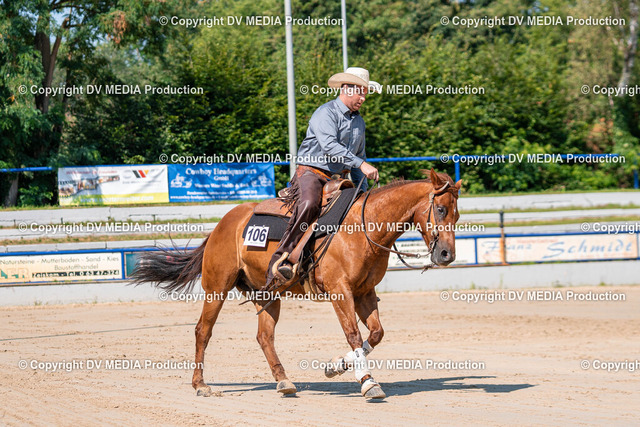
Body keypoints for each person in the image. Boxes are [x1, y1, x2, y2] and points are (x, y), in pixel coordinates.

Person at [266, 67, 380, 286]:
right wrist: (361, 164)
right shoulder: (325, 113)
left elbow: (359, 157)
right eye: (361, 93)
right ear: (347, 89)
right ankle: (282, 259)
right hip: (312, 172)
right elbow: (329, 146)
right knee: (309, 203)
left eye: (366, 93)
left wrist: (363, 192)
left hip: (339, 180)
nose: (363, 98)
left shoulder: (359, 122)